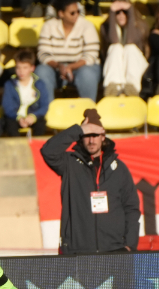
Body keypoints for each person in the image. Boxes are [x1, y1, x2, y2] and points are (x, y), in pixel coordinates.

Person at [39, 109, 140, 254]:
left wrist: (129, 245)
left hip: (115, 249)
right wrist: (78, 130)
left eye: (95, 135)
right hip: (78, 251)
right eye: (86, 135)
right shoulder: (69, 163)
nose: (91, 140)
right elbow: (48, 151)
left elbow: (131, 207)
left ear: (103, 136)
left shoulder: (118, 168)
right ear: (80, 137)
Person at [37, 0, 102, 101]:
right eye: (72, 13)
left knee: (87, 74)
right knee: (41, 71)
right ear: (61, 14)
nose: (76, 15)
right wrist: (59, 66)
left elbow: (91, 55)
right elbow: (43, 53)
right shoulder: (48, 26)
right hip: (56, 68)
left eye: (78, 12)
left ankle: (89, 108)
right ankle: (47, 109)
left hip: (82, 66)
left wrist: (71, 67)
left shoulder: (87, 26)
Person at [101, 0, 149, 97]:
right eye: (117, 12)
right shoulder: (106, 27)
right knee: (116, 47)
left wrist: (131, 12)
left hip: (137, 65)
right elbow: (114, 40)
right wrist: (112, 14)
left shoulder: (141, 25)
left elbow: (130, 40)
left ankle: (132, 87)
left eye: (125, 12)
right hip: (116, 67)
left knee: (130, 48)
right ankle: (113, 87)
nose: (121, 15)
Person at [1, 48, 50, 135]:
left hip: (33, 116)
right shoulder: (9, 84)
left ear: (32, 68)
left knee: (41, 124)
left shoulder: (40, 84)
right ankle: (16, 144)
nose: (21, 71)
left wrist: (33, 116)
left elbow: (44, 106)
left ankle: (36, 144)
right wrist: (19, 118)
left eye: (25, 68)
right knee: (9, 124)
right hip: (15, 117)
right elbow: (7, 107)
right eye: (18, 68)